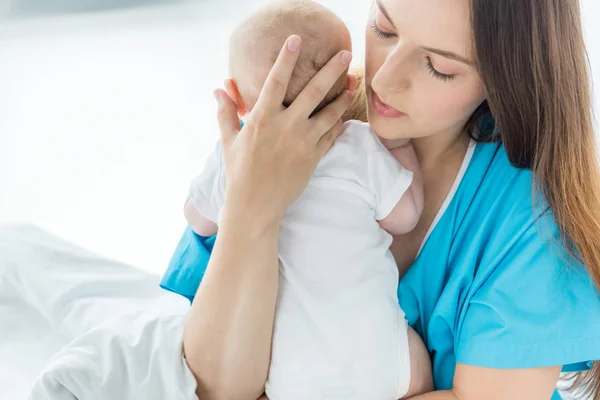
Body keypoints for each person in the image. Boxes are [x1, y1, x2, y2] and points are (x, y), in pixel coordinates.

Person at [161, 0, 600, 399]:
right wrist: (250, 208)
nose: (384, 80)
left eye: (438, 66)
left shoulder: (528, 221)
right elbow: (213, 388)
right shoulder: (279, 144)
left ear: (507, 78)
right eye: (384, 29)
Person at [171, 1, 431, 399]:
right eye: (382, 29)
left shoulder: (234, 154)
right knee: (413, 358)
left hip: (290, 380)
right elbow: (406, 216)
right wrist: (398, 148)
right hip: (385, 369)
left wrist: (225, 191)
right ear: (348, 87)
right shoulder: (360, 145)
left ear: (236, 98)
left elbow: (198, 219)